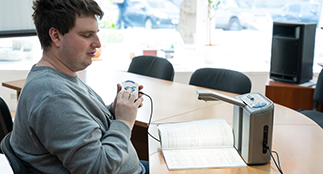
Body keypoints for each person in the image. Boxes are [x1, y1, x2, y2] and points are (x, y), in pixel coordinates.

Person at [10, 0, 147, 173]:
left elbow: (81, 122)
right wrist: (124, 121)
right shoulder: (52, 96)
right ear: (56, 36)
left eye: (96, 33)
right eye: (87, 35)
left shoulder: (62, 75)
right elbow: (98, 168)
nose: (97, 44)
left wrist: (115, 109)